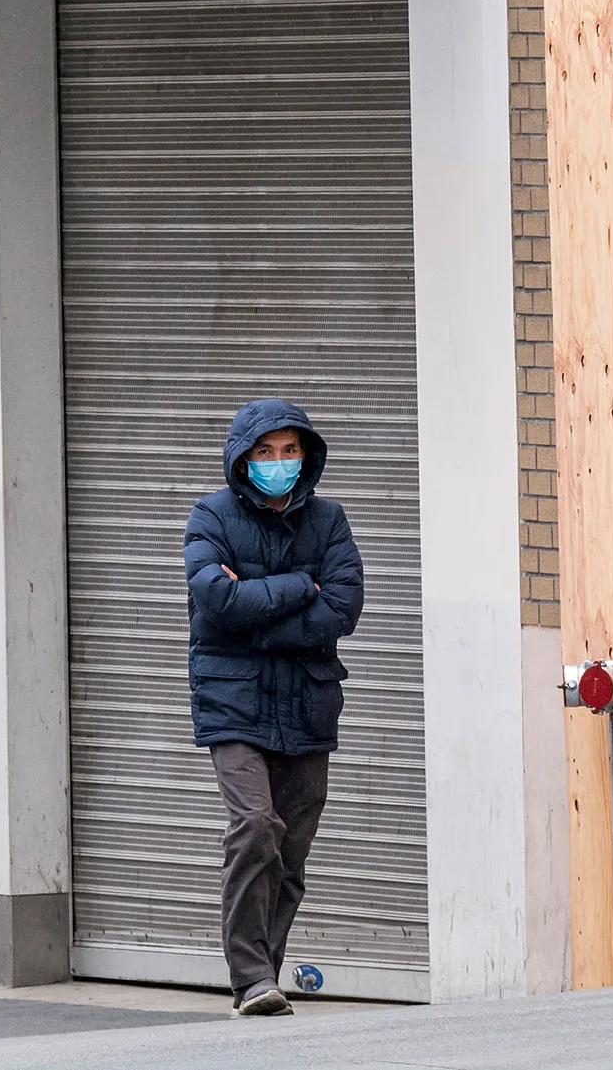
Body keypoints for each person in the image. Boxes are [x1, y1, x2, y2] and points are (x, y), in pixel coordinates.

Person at [183, 399, 365, 1018]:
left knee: (290, 851)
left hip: (307, 705)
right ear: (242, 459)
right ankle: (250, 975)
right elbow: (214, 599)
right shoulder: (211, 516)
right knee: (256, 826)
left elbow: (342, 607)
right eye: (264, 452)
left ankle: (266, 979)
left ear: (306, 457)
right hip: (232, 704)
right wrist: (294, 589)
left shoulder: (330, 522)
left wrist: (254, 613)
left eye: (289, 451)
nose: (278, 463)